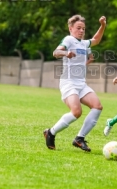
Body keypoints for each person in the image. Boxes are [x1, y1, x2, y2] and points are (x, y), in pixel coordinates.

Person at [43, 15, 107, 152]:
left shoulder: (83, 43)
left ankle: (79, 138)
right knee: (76, 112)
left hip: (81, 84)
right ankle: (51, 132)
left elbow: (95, 40)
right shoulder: (68, 39)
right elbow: (56, 52)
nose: (81, 31)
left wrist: (102, 26)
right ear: (70, 28)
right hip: (68, 82)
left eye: (83, 28)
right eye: (78, 28)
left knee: (97, 106)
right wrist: (66, 53)